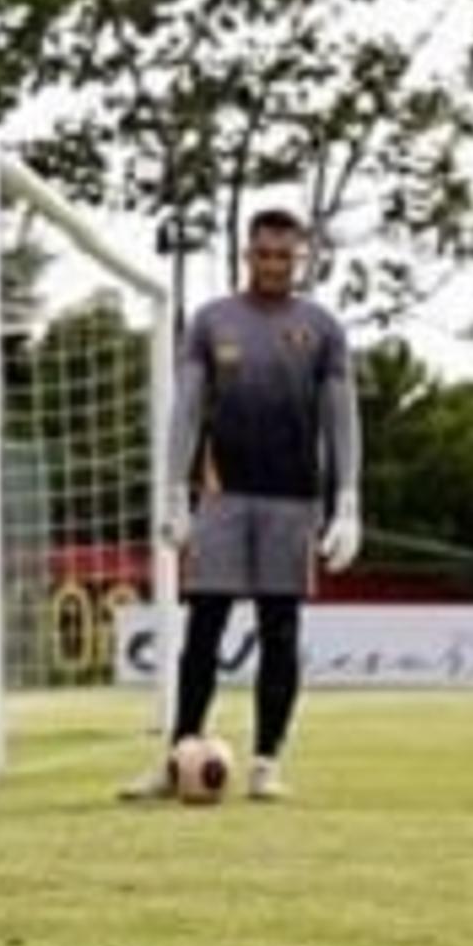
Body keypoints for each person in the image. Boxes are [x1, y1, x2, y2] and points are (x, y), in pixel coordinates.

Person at [124, 206, 362, 802]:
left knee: (280, 630)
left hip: (292, 499)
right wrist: (176, 491)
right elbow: (186, 410)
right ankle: (179, 755)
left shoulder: (323, 329)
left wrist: (348, 501)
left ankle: (265, 762)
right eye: (265, 254)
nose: (275, 265)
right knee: (203, 627)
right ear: (247, 255)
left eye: (286, 256)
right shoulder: (212, 322)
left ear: (300, 259)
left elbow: (342, 421)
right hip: (222, 497)